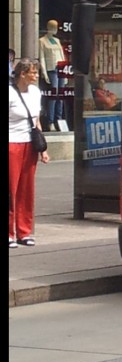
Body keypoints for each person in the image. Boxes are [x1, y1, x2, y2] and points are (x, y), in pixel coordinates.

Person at [9, 57, 50, 247]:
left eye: (36, 72)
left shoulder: (35, 92)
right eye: (33, 72)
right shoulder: (9, 92)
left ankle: (24, 232)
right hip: (11, 143)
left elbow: (36, 120)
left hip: (29, 144)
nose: (36, 76)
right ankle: (9, 233)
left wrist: (43, 148)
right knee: (11, 190)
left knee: (27, 190)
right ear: (22, 74)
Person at [38, 19, 66, 131]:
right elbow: (42, 57)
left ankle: (59, 120)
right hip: (51, 70)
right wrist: (44, 72)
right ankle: (50, 122)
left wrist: (65, 70)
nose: (56, 29)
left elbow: (62, 55)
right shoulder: (42, 41)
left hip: (60, 69)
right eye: (54, 27)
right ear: (49, 27)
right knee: (53, 96)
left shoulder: (57, 40)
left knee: (61, 96)